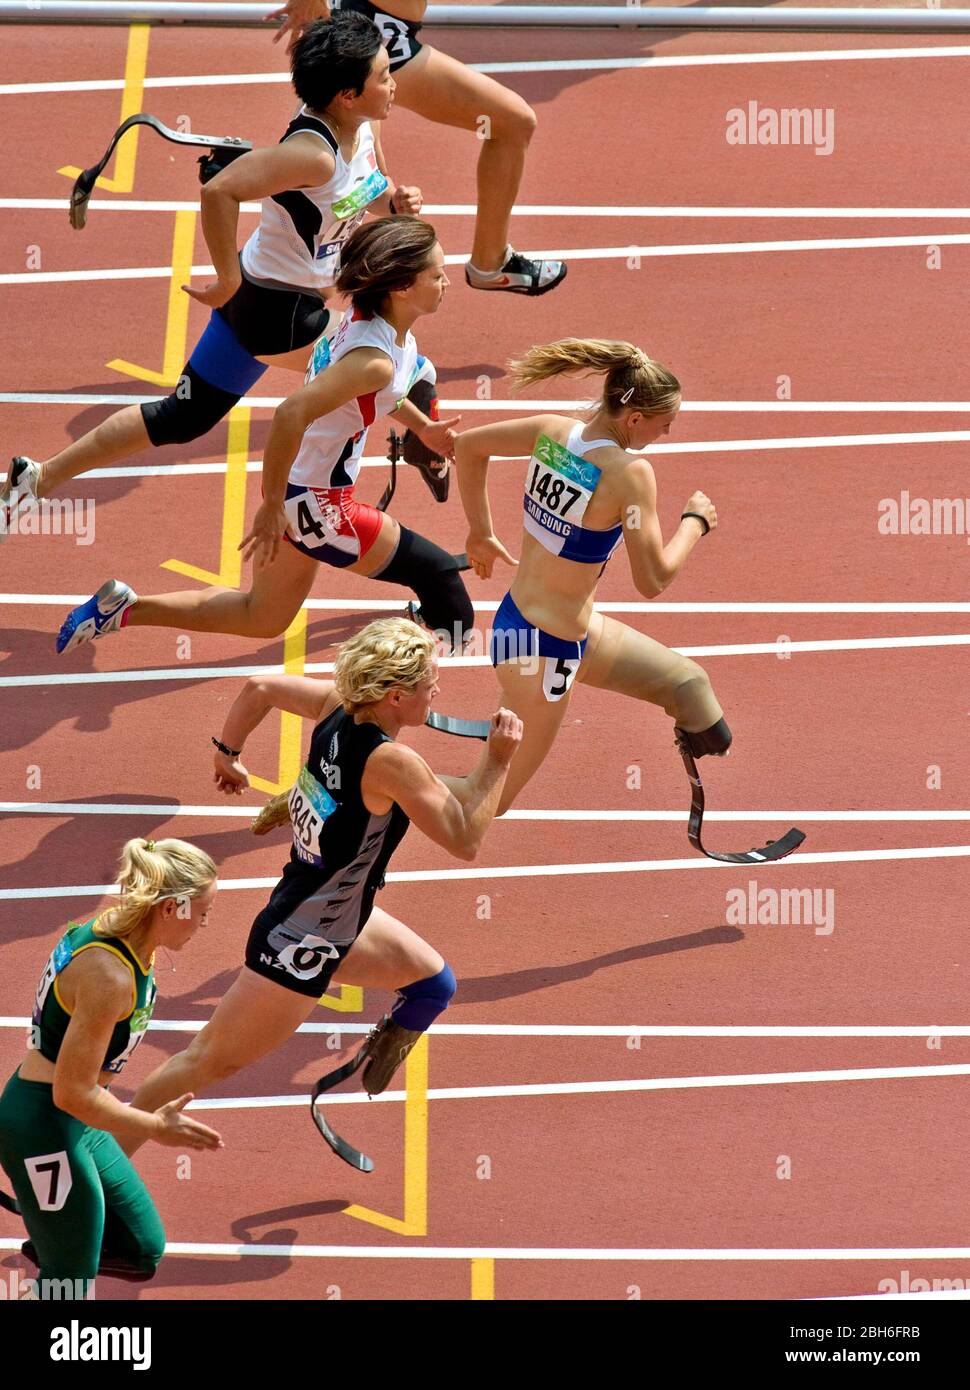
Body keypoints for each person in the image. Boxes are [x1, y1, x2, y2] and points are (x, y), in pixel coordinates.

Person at [1, 12, 436, 536]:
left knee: (178, 418)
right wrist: (225, 277)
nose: (393, 84)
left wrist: (393, 198)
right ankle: (416, 453)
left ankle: (38, 477)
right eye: (384, 76)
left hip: (263, 301)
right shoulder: (312, 156)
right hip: (277, 314)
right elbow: (219, 191)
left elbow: (366, 182)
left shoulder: (361, 126)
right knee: (406, 369)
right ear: (346, 94)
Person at [120, 618, 522, 1152]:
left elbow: (262, 689)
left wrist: (228, 751)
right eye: (430, 684)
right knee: (205, 1062)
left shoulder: (338, 707)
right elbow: (466, 839)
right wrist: (497, 759)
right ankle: (101, 1165)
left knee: (433, 986)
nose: (438, 692)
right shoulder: (393, 761)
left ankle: (380, 1047)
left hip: (335, 918)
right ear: (396, 695)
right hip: (298, 944)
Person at [55, 217, 474, 658]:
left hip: (300, 493)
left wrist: (421, 426)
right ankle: (402, 695)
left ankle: (121, 610)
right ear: (403, 287)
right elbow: (289, 413)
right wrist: (273, 506)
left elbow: (378, 394)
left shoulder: (370, 321)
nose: (447, 282)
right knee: (442, 581)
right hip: (322, 504)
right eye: (438, 275)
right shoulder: (375, 360)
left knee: (263, 617)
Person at [453, 337, 728, 815]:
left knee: (688, 685)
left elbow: (470, 448)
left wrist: (480, 532)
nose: (666, 435)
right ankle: (372, 784)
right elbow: (653, 580)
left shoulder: (552, 432)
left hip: (543, 627)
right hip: (543, 653)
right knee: (488, 798)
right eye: (665, 426)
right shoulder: (630, 473)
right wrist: (694, 523)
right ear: (634, 418)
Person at [0, 839, 223, 1297]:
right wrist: (155, 1126)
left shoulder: (123, 936)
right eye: (201, 911)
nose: (205, 923)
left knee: (140, 1247)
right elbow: (72, 1094)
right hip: (45, 1126)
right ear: (169, 908)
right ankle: (60, 1256)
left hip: (76, 1121)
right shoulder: (110, 976)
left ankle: (57, 1233)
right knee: (68, 1285)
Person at [269, 0, 567, 296]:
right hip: (368, 45)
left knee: (508, 125)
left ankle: (487, 262)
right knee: (334, 172)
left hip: (391, 38)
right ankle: (283, 292)